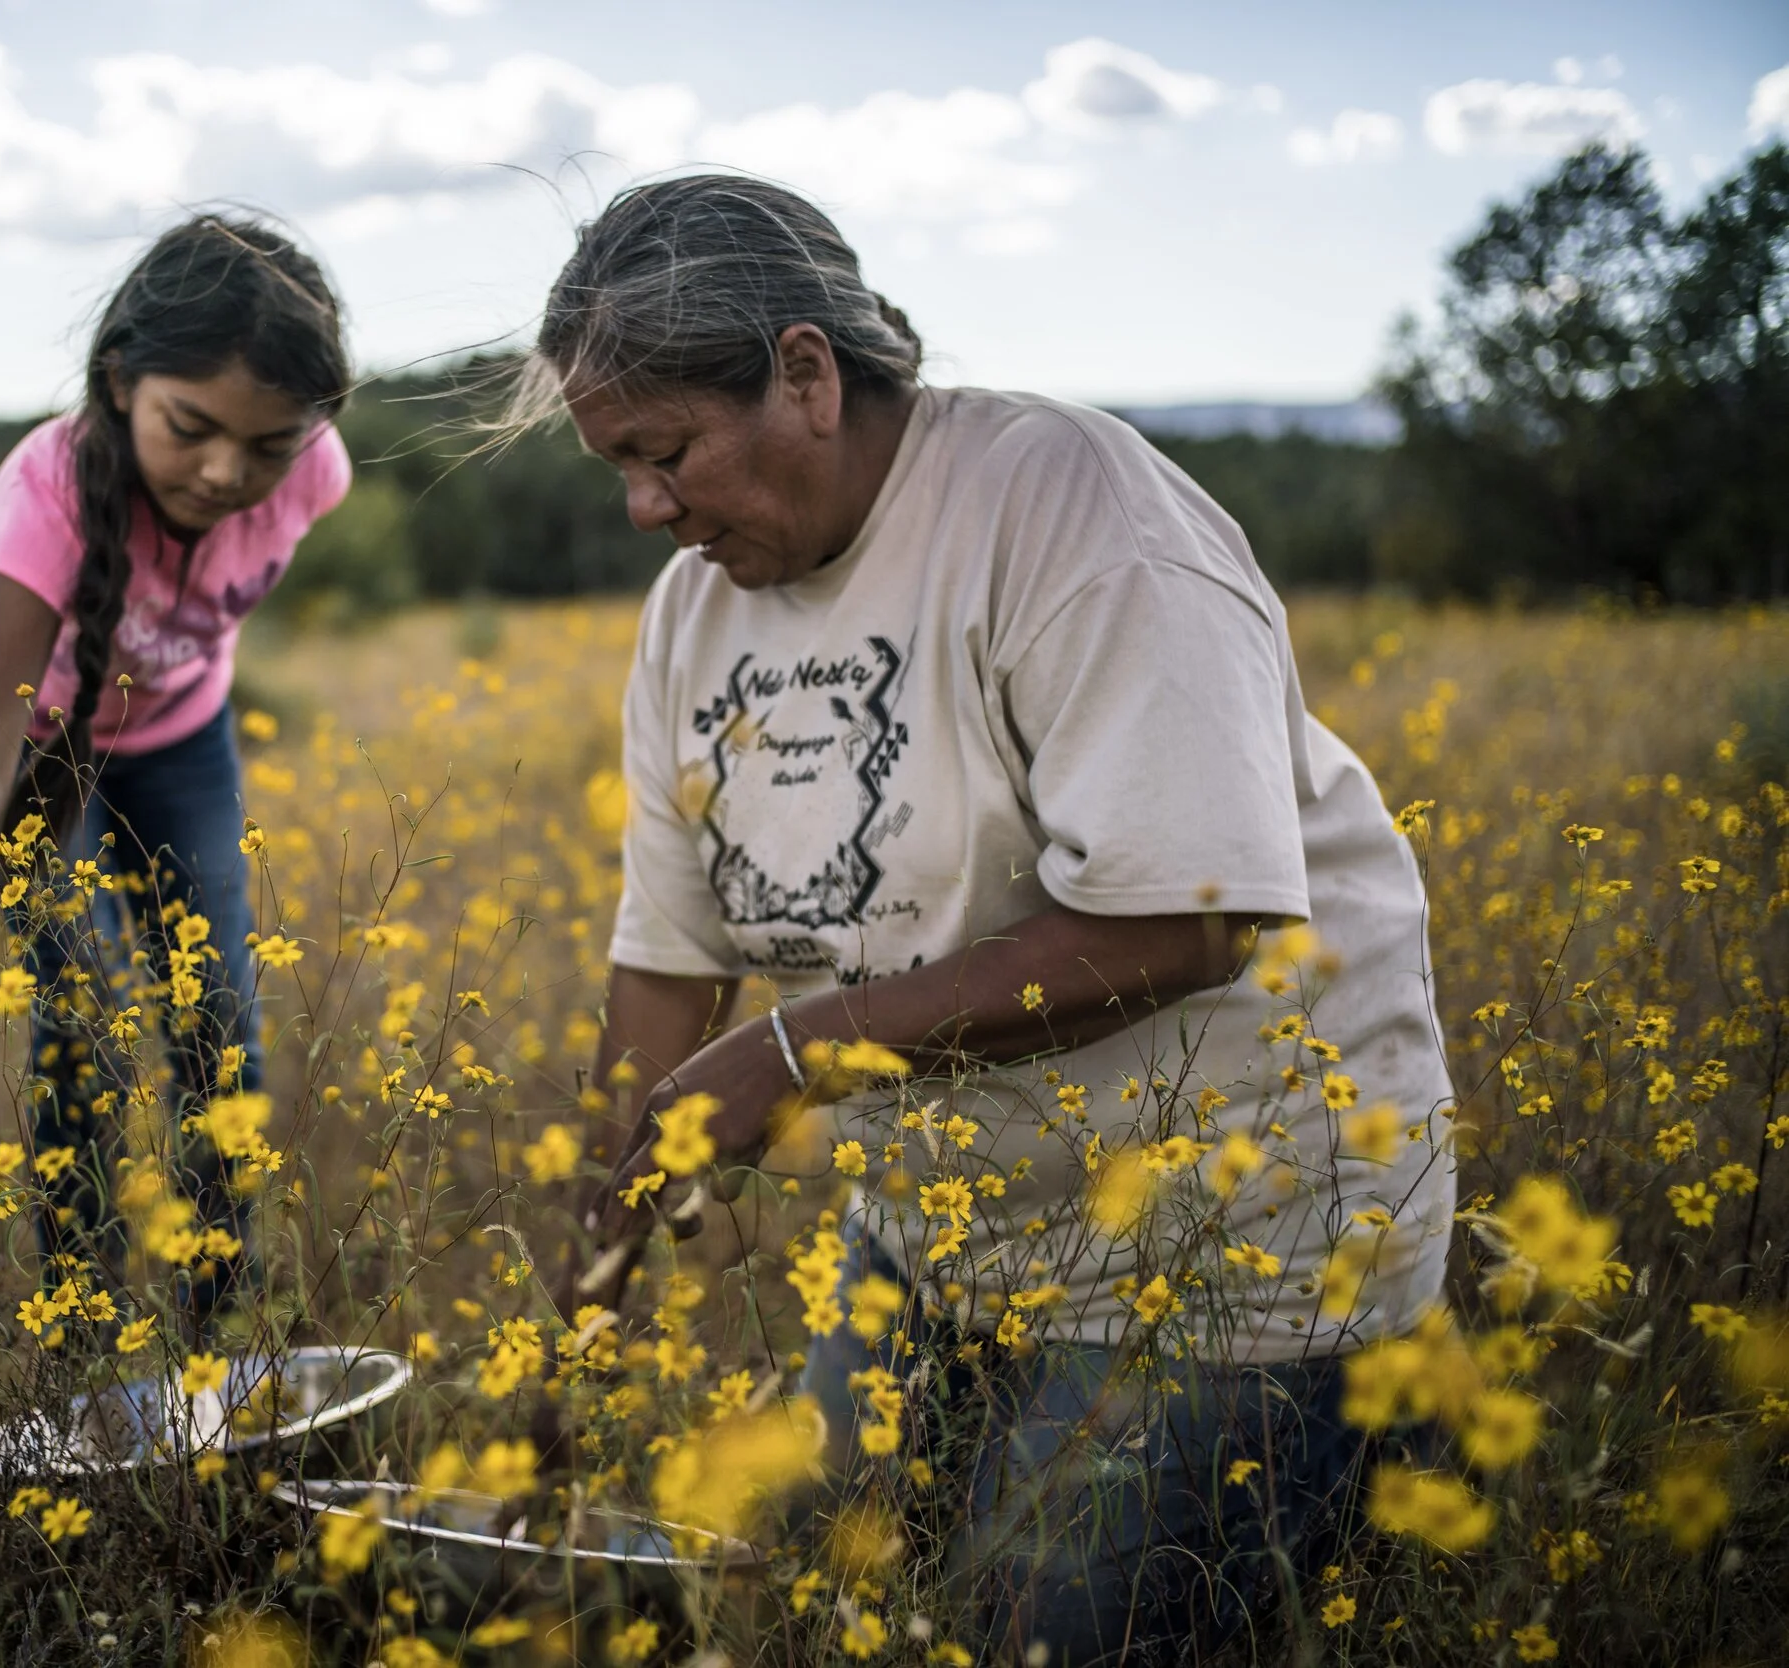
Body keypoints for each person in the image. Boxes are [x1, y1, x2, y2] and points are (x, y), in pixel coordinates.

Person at [533, 177, 1455, 1665]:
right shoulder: (692, 614)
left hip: (1221, 1246)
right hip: (947, 1234)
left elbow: (1188, 918)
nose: (646, 508)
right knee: (798, 1597)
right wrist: (581, 1304)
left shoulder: (1071, 511)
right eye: (618, 470)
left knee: (1045, 1632)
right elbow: (668, 960)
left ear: (808, 373)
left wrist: (794, 1055)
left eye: (665, 452)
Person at [0, 215, 351, 1318]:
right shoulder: (52, 495)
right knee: (83, 1023)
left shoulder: (315, 476)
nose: (227, 472)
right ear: (120, 381)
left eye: (268, 446)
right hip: (21, 742)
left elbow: (193, 597)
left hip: (177, 733)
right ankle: (84, 1337)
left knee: (221, 1016)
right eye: (193, 427)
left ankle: (224, 1330)